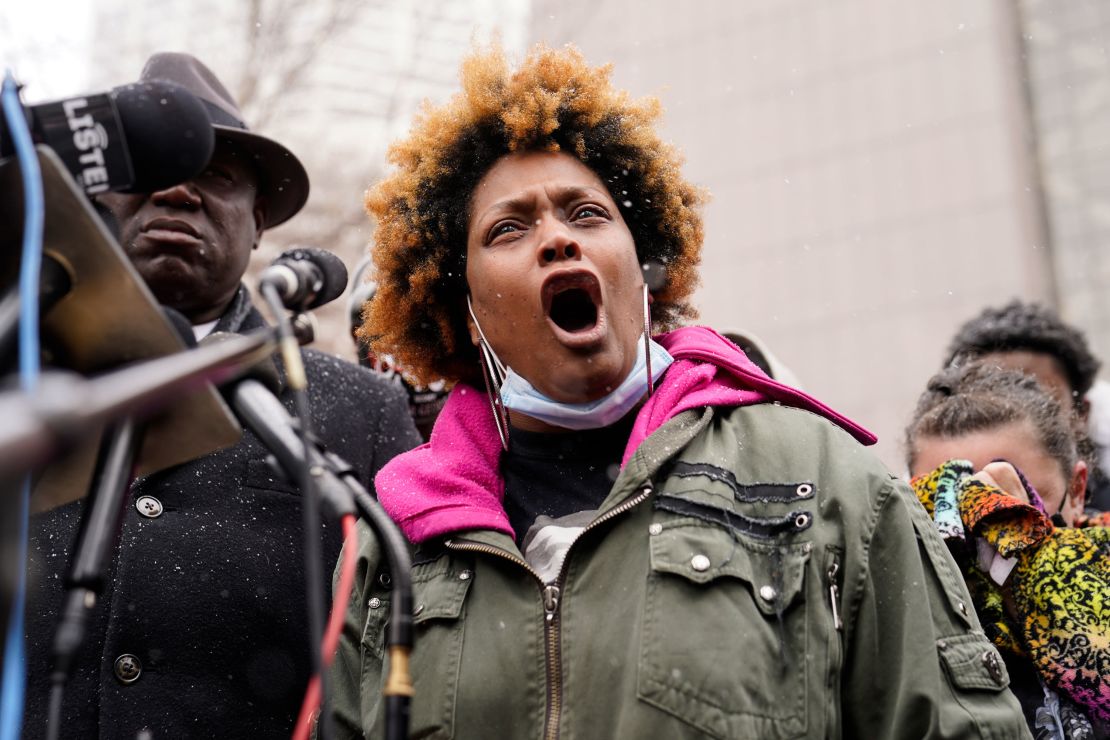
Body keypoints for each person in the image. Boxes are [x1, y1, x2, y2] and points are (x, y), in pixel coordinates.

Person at [329, 44, 1029, 739]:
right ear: (462, 308)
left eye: (587, 214)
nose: (557, 241)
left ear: (645, 270)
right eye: (508, 228)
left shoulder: (820, 477)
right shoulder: (393, 542)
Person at [23, 53, 421, 738]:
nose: (178, 192)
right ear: (92, 198)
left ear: (260, 220)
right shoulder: (17, 388)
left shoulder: (363, 414)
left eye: (216, 174)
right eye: (146, 171)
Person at [906, 362, 1110, 738]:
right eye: (949, 499)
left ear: (1077, 491)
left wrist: (1033, 566)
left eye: (1008, 493)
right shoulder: (902, 630)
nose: (982, 522)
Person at [945, 300, 1110, 510]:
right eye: (988, 406)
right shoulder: (919, 520)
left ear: (1080, 414)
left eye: (1042, 406)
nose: (1017, 421)